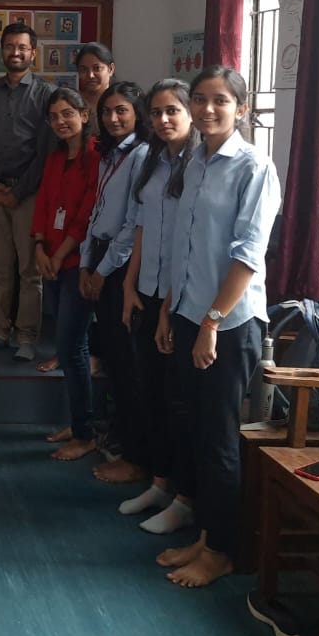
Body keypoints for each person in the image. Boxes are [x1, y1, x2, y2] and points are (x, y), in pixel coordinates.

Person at [154, 66, 279, 588]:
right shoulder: (196, 161)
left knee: (220, 440)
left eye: (220, 101)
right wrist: (169, 308)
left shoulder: (254, 167)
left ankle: (223, 551)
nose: (207, 109)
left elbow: (248, 254)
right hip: (189, 314)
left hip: (227, 324)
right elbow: (182, 245)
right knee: (196, 432)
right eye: (200, 99)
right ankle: (205, 537)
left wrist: (212, 320)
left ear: (241, 109)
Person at [118, 79, 200, 534]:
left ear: (190, 113)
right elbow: (142, 227)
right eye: (155, 112)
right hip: (147, 289)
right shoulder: (150, 159)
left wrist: (167, 304)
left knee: (178, 400)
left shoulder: (201, 164)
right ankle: (160, 482)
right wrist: (129, 285)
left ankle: (184, 498)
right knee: (149, 390)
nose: (163, 119)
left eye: (173, 110)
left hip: (183, 299)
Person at [80, 81, 150, 481]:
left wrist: (103, 270)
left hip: (122, 266)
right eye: (107, 111)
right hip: (101, 256)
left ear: (138, 114)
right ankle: (119, 440)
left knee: (128, 365)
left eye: (121, 110)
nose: (112, 118)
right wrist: (86, 263)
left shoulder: (141, 155)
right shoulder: (109, 155)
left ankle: (135, 457)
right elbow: (98, 211)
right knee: (114, 359)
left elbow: (131, 224)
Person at [0, 23, 54, 361]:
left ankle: (27, 337)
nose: (15, 52)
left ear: (33, 52)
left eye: (22, 47)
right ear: (1, 51)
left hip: (29, 194)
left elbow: (45, 151)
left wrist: (20, 192)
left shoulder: (46, 94)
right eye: (9, 46)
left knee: (29, 271)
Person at [33, 88, 100, 459]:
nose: (61, 121)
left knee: (71, 347)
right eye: (54, 117)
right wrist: (39, 247)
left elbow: (87, 213)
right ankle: (78, 424)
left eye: (68, 114)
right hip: (51, 259)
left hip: (78, 264)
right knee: (70, 345)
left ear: (84, 115)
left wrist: (58, 255)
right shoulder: (55, 158)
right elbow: (44, 203)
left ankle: (86, 433)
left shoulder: (96, 156)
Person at [75, 42, 116, 138]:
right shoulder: (74, 104)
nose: (90, 75)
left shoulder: (124, 102)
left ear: (110, 69)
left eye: (97, 68)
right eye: (83, 69)